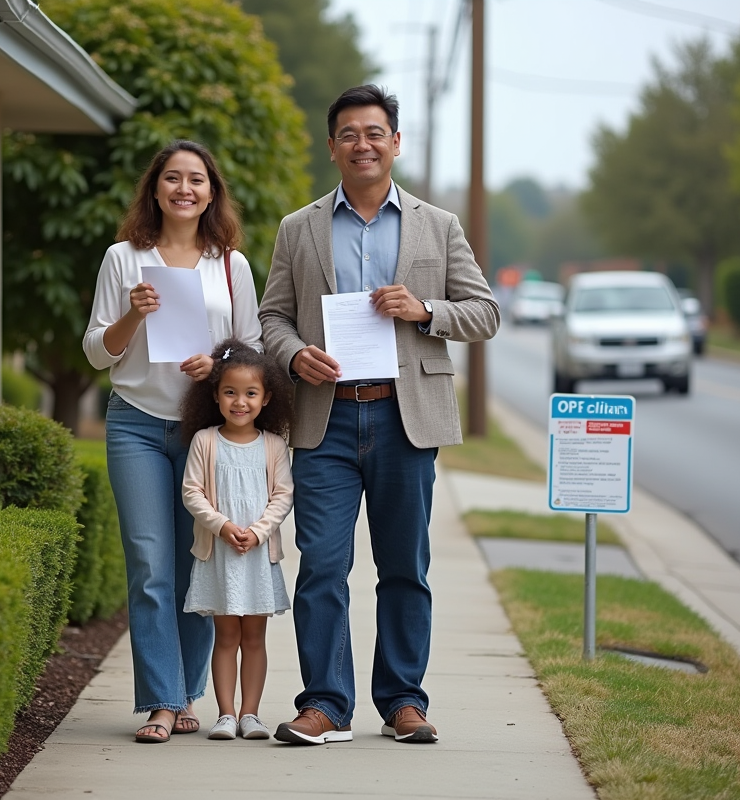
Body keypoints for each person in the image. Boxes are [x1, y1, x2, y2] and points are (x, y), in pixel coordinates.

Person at [258, 85, 500, 745]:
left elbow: (484, 313)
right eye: (348, 134)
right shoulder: (298, 228)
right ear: (331, 145)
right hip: (324, 421)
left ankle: (402, 703)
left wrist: (425, 310)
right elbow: (271, 316)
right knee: (323, 566)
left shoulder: (437, 225)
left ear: (395, 142)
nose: (361, 144)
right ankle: (325, 706)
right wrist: (293, 353)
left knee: (403, 567)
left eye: (374, 132)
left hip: (404, 420)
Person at [83, 140, 263, 744]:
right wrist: (133, 315)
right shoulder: (122, 258)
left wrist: (214, 368)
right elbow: (96, 352)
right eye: (172, 178)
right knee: (149, 565)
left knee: (198, 566)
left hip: (203, 431)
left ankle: (188, 692)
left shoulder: (230, 264)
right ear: (154, 188)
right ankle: (163, 700)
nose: (184, 189)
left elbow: (252, 352)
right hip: (134, 421)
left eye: (197, 180)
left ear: (212, 192)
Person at [177, 338, 295, 741]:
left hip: (257, 557)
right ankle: (225, 714)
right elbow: (192, 492)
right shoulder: (205, 441)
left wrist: (258, 532)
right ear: (215, 395)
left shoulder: (274, 446)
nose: (239, 402)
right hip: (220, 553)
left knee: (254, 638)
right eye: (230, 392)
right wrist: (223, 526)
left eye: (250, 393)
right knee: (226, 636)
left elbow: (283, 494)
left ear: (266, 398)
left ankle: (251, 714)